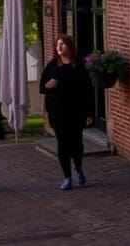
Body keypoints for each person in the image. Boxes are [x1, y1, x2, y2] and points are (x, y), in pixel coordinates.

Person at [39, 33, 93, 190]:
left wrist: (89, 112)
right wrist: (47, 86)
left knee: (76, 142)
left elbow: (87, 89)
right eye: (57, 45)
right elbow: (42, 87)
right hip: (57, 111)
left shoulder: (79, 66)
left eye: (62, 44)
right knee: (62, 143)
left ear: (70, 46)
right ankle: (67, 177)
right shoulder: (52, 65)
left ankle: (78, 166)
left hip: (76, 111)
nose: (59, 47)